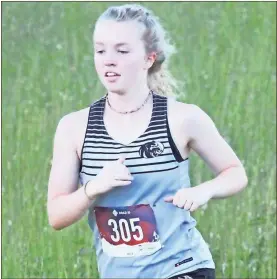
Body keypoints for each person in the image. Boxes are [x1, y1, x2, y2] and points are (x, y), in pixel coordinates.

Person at [47, 4, 248, 279]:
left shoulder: (182, 118)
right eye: (100, 50)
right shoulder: (74, 128)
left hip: (183, 267)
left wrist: (204, 191)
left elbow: (235, 173)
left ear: (148, 58)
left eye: (122, 50)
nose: (108, 60)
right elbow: (56, 215)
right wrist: (92, 188)